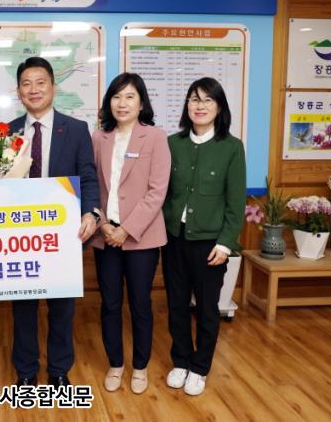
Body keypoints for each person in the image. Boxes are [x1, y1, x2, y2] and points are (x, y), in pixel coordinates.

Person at [8, 57, 100, 388]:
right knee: (23, 308)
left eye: (40, 82)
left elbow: (88, 177)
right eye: (26, 83)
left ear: (53, 87)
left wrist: (91, 212)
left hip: (62, 235)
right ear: (18, 91)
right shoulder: (6, 132)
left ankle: (59, 370)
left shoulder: (75, 129)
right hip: (19, 235)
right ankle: (26, 371)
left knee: (62, 308)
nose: (34, 89)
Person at [162, 77, 246, 396]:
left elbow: (236, 203)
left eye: (208, 100)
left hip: (211, 244)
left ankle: (200, 367)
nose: (200, 106)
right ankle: (181, 361)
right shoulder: (173, 143)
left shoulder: (231, 147)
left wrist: (225, 244)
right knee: (176, 304)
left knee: (208, 309)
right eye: (194, 99)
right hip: (174, 239)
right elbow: (161, 193)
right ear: (187, 105)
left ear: (219, 107)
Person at [89, 73, 170, 394]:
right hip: (105, 235)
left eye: (129, 97)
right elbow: (92, 185)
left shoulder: (155, 137)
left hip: (142, 239)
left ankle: (139, 366)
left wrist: (127, 229)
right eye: (116, 96)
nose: (122, 103)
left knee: (140, 304)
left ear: (141, 103)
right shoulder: (99, 138)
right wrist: (103, 225)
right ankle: (115, 364)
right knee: (110, 304)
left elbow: (157, 191)